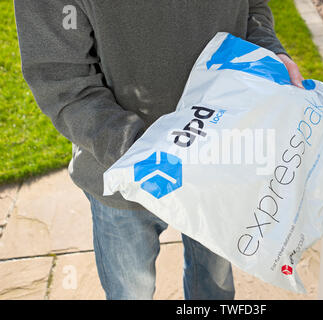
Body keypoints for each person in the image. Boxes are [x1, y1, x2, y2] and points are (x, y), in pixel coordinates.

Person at [14, 0, 304, 300]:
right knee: (131, 292)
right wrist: (142, 152)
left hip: (218, 166)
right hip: (124, 179)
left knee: (214, 287)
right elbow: (61, 78)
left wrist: (267, 50)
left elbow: (252, 7)